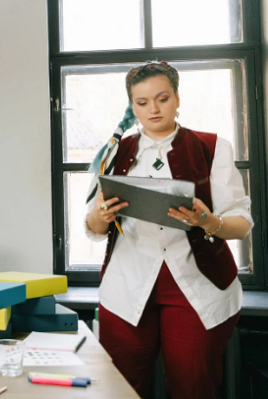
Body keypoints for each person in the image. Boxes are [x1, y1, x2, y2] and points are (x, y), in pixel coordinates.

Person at [84, 61, 252, 399]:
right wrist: (103, 214)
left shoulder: (213, 146)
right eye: (142, 103)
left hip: (197, 284)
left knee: (193, 387)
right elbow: (92, 227)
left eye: (162, 98)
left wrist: (208, 221)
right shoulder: (114, 152)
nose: (153, 109)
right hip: (127, 285)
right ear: (132, 106)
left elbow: (242, 225)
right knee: (120, 390)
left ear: (177, 98)